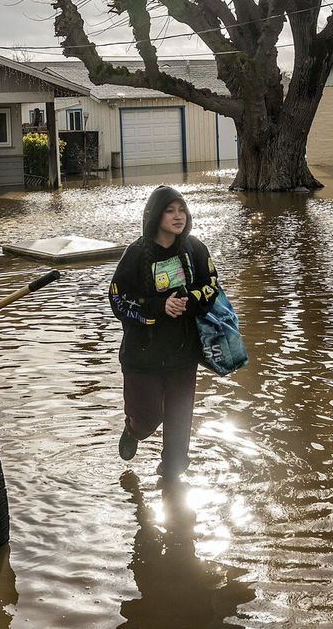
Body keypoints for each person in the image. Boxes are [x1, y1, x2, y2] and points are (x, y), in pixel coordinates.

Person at [109, 185, 219, 478]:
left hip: (183, 355)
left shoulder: (195, 249)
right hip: (142, 357)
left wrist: (188, 299)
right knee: (148, 418)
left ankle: (172, 480)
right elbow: (118, 299)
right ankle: (133, 430)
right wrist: (159, 307)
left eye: (182, 210)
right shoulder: (135, 254)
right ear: (155, 215)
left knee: (179, 427)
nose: (178, 216)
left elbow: (212, 286)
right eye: (170, 211)